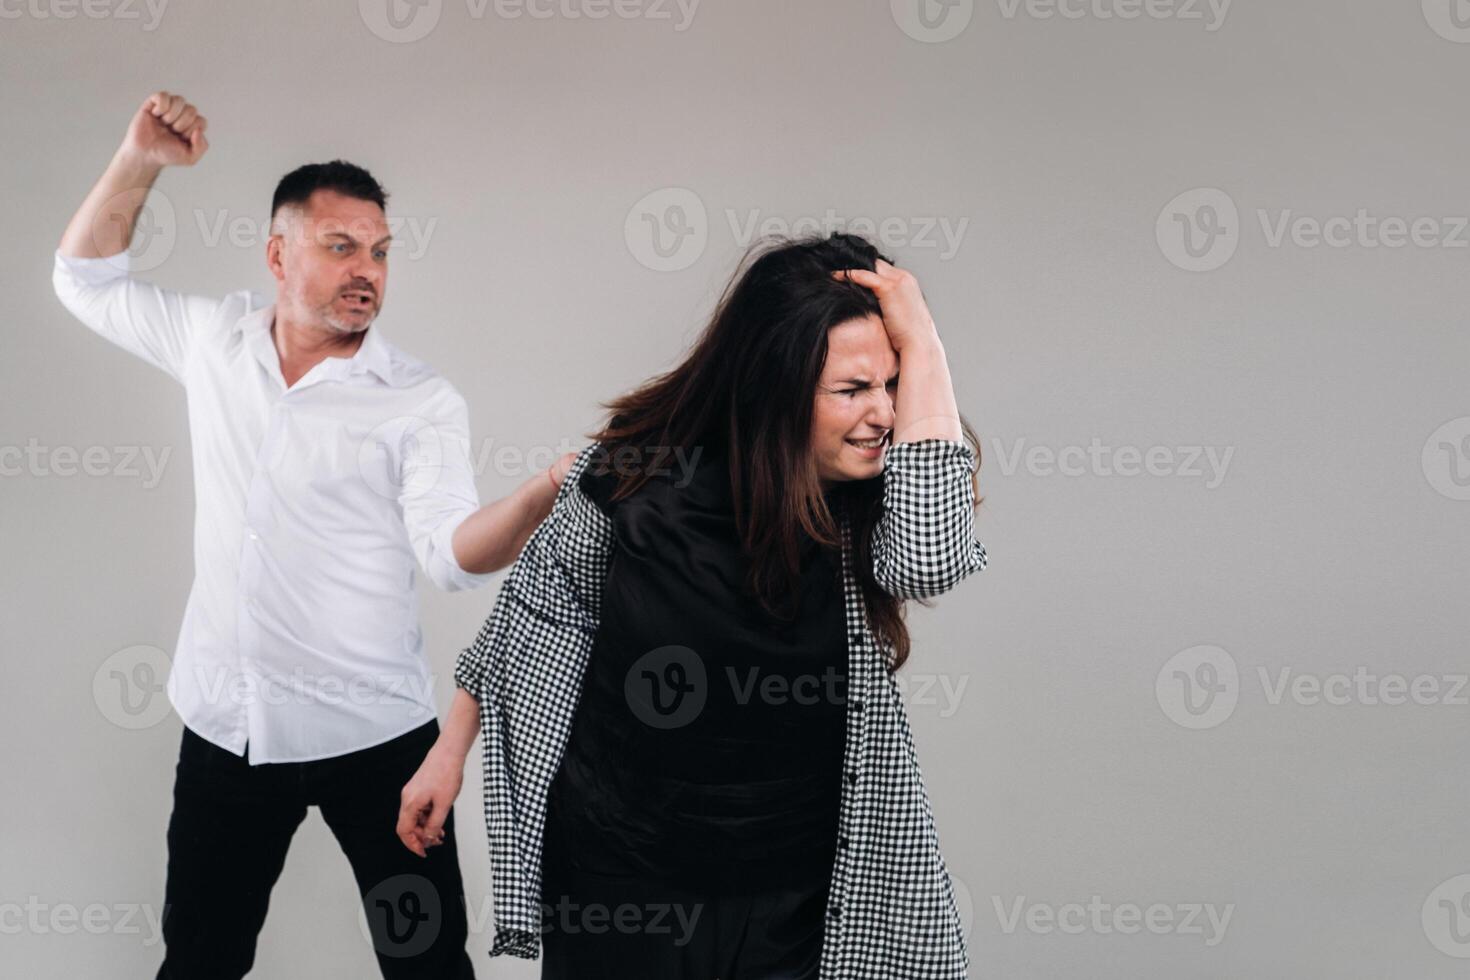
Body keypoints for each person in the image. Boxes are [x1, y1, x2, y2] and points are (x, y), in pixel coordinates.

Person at [53, 91, 571, 979]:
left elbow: (449, 558)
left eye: (378, 251)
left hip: (377, 737)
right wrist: (139, 158)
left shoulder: (420, 399)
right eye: (340, 247)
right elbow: (83, 279)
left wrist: (540, 493)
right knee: (199, 963)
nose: (365, 269)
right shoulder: (214, 341)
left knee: (428, 966)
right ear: (277, 254)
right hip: (228, 728)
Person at [413, 233, 989, 977]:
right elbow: (534, 611)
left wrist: (925, 339)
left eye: (895, 382)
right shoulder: (636, 473)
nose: (883, 413)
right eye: (852, 390)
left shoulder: (869, 500)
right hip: (622, 876)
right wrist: (447, 753)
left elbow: (931, 562)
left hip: (795, 889)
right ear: (771, 387)